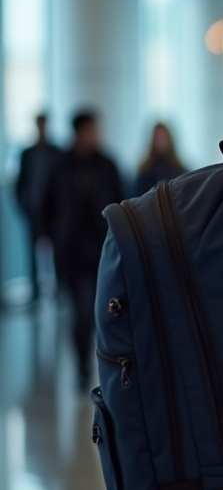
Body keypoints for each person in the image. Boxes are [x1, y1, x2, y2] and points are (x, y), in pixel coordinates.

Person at [41, 111, 124, 388]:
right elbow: (48, 203)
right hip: (70, 250)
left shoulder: (107, 165)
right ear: (79, 132)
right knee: (79, 310)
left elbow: (122, 202)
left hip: (102, 249)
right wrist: (48, 234)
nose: (95, 135)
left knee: (96, 309)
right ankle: (81, 365)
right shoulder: (60, 166)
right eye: (90, 130)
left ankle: (97, 364)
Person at [15, 113, 62, 294]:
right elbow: (21, 183)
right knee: (31, 251)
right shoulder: (27, 153)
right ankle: (35, 290)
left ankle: (59, 287)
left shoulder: (56, 152)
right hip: (33, 209)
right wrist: (22, 205)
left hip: (53, 210)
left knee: (57, 249)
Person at [134, 122, 187, 195]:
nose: (161, 141)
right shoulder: (145, 171)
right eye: (158, 138)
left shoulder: (180, 170)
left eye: (163, 137)